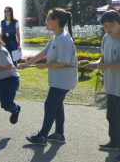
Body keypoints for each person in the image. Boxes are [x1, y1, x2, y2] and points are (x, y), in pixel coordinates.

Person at [18, 8, 78, 145]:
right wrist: (26, 64)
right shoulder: (56, 37)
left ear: (56, 21)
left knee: (50, 105)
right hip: (58, 80)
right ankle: (59, 134)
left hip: (64, 80)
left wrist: (44, 66)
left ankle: (43, 136)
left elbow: (64, 62)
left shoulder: (63, 39)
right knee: (57, 106)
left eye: (48, 19)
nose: (45, 22)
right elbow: (43, 53)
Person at [85, 10, 120, 158]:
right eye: (105, 25)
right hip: (111, 86)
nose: (108, 28)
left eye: (111, 24)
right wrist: (96, 63)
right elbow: (103, 58)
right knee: (112, 116)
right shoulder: (106, 38)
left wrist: (107, 66)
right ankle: (114, 142)